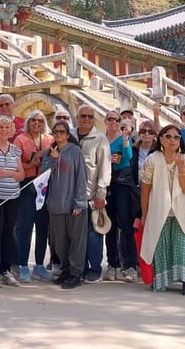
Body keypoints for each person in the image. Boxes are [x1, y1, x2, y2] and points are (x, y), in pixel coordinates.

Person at [140, 124, 185, 295]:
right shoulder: (151, 160)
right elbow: (145, 190)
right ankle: (162, 280)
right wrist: (144, 215)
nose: (173, 140)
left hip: (183, 210)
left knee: (184, 244)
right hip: (159, 209)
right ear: (161, 139)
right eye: (168, 136)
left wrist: (181, 167)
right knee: (161, 245)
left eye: (177, 137)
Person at [41, 121, 88, 290]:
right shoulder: (50, 152)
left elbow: (81, 177)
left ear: (68, 134)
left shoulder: (75, 151)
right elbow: (43, 176)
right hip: (55, 205)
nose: (59, 134)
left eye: (62, 132)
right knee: (59, 242)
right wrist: (52, 160)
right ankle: (66, 269)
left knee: (76, 241)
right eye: (56, 132)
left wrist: (80, 202)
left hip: (73, 205)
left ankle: (76, 273)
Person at [73, 104, 111, 284]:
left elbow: (104, 168)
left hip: (91, 194)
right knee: (75, 235)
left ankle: (95, 268)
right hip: (71, 195)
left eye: (89, 116)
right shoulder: (70, 135)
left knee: (93, 233)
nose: (86, 119)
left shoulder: (100, 139)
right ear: (77, 117)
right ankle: (79, 268)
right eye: (83, 116)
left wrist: (101, 193)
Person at [14, 109, 53, 282]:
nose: (36, 123)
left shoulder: (49, 139)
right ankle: (23, 265)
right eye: (33, 120)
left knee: (43, 226)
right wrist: (31, 164)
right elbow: (15, 164)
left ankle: (39, 265)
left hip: (44, 187)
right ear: (28, 122)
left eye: (39, 120)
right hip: (27, 186)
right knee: (25, 227)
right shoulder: (20, 139)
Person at [0, 115, 25, 287]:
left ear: (11, 130)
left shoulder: (15, 149)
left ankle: (5, 271)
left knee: (8, 234)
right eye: (0, 127)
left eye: (7, 127)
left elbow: (21, 175)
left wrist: (8, 174)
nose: (4, 130)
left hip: (13, 196)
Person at [103, 112, 138, 283]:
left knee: (125, 224)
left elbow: (128, 156)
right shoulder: (102, 139)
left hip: (122, 183)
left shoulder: (124, 139)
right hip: (107, 183)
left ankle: (130, 265)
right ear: (105, 121)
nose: (114, 122)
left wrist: (125, 137)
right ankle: (113, 264)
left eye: (117, 120)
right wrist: (107, 160)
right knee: (109, 226)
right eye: (110, 119)